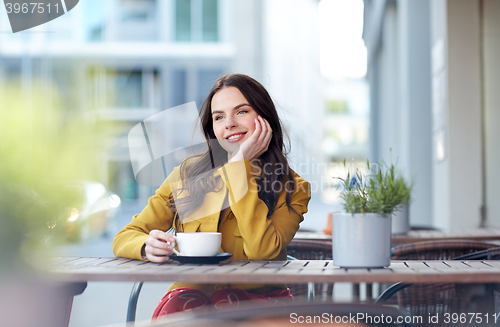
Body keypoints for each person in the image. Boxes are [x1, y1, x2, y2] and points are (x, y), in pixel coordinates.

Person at [113, 73, 311, 318]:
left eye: (241, 111)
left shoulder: (294, 187)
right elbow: (125, 237)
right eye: (219, 117)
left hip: (262, 305)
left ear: (265, 118)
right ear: (213, 129)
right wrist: (145, 246)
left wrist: (239, 165)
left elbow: (263, 253)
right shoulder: (186, 175)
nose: (229, 123)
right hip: (190, 304)